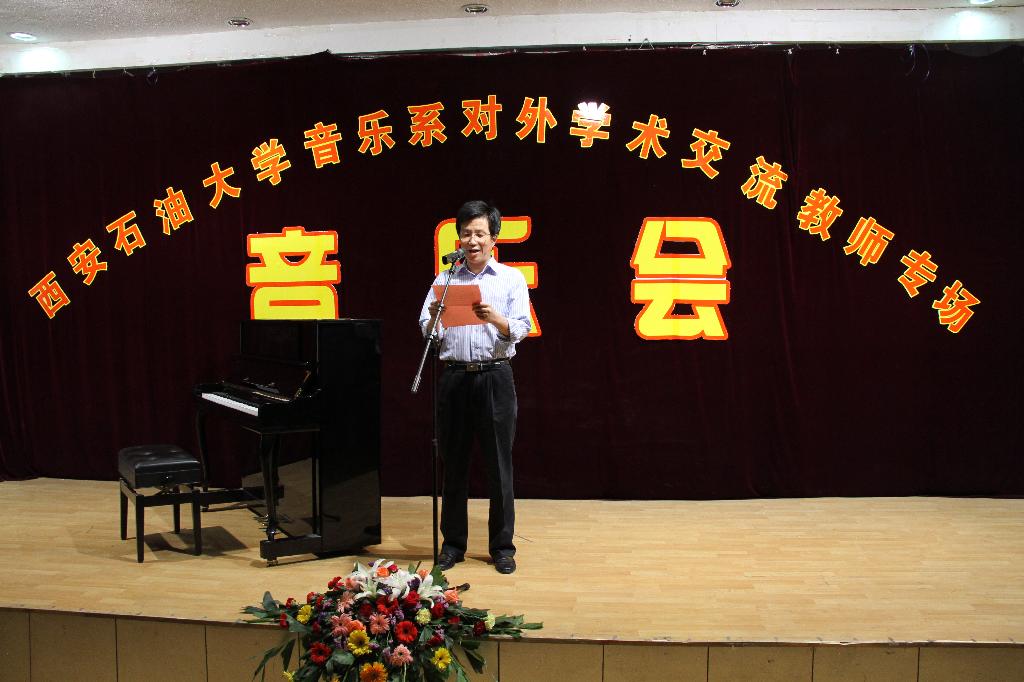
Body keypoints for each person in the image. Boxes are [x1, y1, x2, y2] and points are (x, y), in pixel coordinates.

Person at [419, 200, 532, 575]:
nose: (472, 241)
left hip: (494, 377)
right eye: (466, 234)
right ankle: (452, 545)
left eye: (480, 233)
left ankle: (502, 547)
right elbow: (428, 332)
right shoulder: (446, 279)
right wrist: (433, 318)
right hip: (454, 378)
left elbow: (522, 327)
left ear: (493, 238)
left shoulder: (510, 279)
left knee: (499, 466)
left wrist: (496, 319)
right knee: (453, 465)